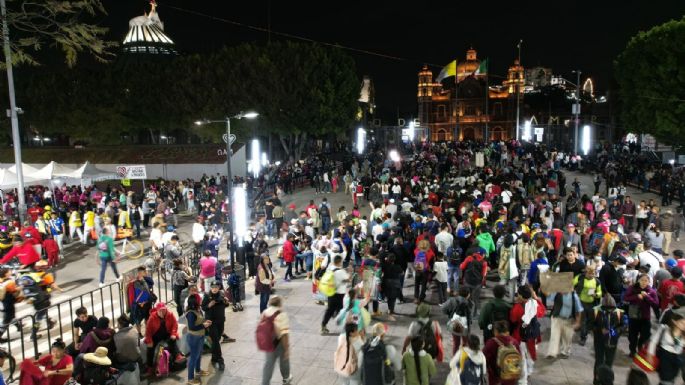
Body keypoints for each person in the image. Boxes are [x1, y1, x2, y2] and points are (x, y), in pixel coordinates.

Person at [624, 274, 659, 357]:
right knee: (632, 335)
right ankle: (632, 351)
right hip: (634, 315)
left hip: (645, 317)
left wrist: (647, 297)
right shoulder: (632, 288)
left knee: (645, 335)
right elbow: (625, 298)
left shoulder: (651, 291)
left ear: (649, 282)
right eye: (642, 280)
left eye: (646, 280)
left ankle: (640, 348)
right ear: (638, 280)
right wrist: (636, 296)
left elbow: (656, 304)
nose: (643, 282)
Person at [591, 295, 623, 385]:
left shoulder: (619, 313)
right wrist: (599, 330)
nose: (609, 310)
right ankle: (597, 381)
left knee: (609, 362)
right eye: (607, 309)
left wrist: (613, 332)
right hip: (599, 341)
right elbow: (590, 324)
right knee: (599, 361)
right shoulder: (595, 311)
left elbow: (623, 326)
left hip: (612, 342)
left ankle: (607, 382)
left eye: (611, 309)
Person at [144, 303, 182, 376]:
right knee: (150, 349)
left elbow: (175, 324)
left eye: (163, 310)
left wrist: (173, 333)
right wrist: (149, 341)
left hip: (166, 333)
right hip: (156, 335)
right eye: (160, 310)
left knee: (172, 340)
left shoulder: (170, 314)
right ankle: (150, 366)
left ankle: (177, 355)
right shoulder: (152, 318)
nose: (162, 312)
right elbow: (148, 331)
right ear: (157, 310)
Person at [261, 295, 292, 385]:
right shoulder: (282, 314)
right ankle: (286, 379)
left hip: (267, 343)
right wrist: (286, 349)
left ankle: (265, 383)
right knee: (284, 361)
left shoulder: (265, 312)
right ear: (279, 304)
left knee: (268, 364)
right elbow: (284, 334)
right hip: (278, 343)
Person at [545, 288, 583, 359]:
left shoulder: (574, 296)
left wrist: (578, 322)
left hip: (569, 320)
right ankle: (552, 353)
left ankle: (565, 352)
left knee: (567, 337)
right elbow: (548, 297)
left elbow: (579, 310)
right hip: (556, 318)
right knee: (554, 336)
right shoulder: (556, 293)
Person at [482, 321, 521, 385]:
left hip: (496, 379)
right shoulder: (515, 342)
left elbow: (483, 359)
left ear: (496, 331)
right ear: (507, 331)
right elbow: (519, 358)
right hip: (512, 377)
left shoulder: (491, 343)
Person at [201, 282, 229, 370]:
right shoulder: (206, 296)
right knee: (215, 340)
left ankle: (214, 356)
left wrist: (226, 302)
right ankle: (220, 360)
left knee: (218, 338)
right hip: (211, 322)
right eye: (213, 287)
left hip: (220, 320)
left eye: (216, 287)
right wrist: (209, 305)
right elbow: (203, 307)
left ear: (219, 287)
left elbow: (225, 305)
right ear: (211, 288)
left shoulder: (221, 294)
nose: (214, 289)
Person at [185, 294, 211, 385]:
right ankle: (190, 379)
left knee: (199, 355)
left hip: (200, 336)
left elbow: (199, 321)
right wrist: (203, 325)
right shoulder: (191, 313)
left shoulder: (198, 310)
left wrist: (205, 322)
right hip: (193, 337)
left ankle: (198, 371)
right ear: (195, 302)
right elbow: (192, 327)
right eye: (199, 299)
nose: (201, 300)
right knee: (193, 357)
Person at [653, 311, 685, 385]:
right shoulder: (665, 329)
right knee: (666, 380)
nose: (684, 325)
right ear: (674, 322)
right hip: (665, 357)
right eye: (682, 323)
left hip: (677, 359)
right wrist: (650, 353)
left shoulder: (683, 336)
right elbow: (653, 341)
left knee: (670, 380)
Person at [321, 255, 350, 334]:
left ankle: (323, 325)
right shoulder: (341, 271)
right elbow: (348, 279)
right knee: (342, 310)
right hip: (340, 294)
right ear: (340, 262)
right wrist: (349, 272)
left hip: (331, 292)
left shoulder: (330, 268)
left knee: (329, 310)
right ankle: (345, 328)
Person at [574, 265, 602, 345]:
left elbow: (600, 293)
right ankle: (583, 337)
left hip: (592, 304)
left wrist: (596, 294)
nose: (591, 275)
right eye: (590, 273)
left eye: (593, 274)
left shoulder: (597, 281)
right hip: (581, 302)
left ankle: (585, 331)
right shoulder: (580, 278)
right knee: (584, 321)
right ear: (586, 273)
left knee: (590, 321)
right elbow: (572, 284)